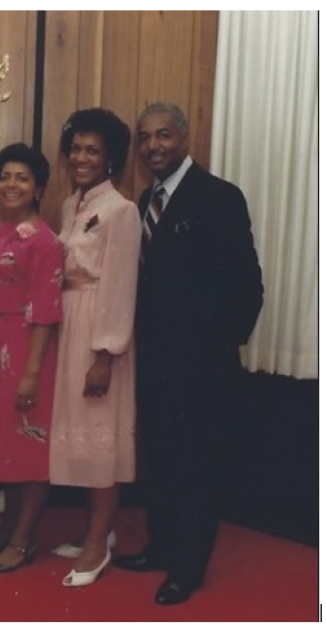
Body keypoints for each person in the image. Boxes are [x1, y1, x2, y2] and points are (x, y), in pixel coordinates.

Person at [112, 103, 263, 605]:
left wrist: (211, 348)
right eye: (145, 138)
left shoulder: (219, 197)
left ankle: (188, 568)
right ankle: (162, 547)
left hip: (202, 370)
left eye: (163, 136)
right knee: (164, 462)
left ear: (184, 137)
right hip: (154, 365)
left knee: (197, 466)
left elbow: (248, 288)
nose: (153, 146)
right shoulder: (144, 200)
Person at [48, 108, 141, 588]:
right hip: (71, 327)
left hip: (101, 335)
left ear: (111, 160)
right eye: (76, 148)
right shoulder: (72, 206)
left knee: (100, 437)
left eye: (93, 151)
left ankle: (96, 544)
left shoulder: (121, 210)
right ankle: (95, 532)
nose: (81, 158)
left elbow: (121, 286)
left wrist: (105, 354)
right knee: (80, 434)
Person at [0, 143, 64, 573]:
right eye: (5, 177)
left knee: (29, 444)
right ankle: (9, 527)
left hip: (29, 349)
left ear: (38, 188)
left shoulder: (43, 240)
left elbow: (46, 311)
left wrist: (31, 374)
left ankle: (24, 539)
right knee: (7, 442)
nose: (11, 185)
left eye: (22, 178)